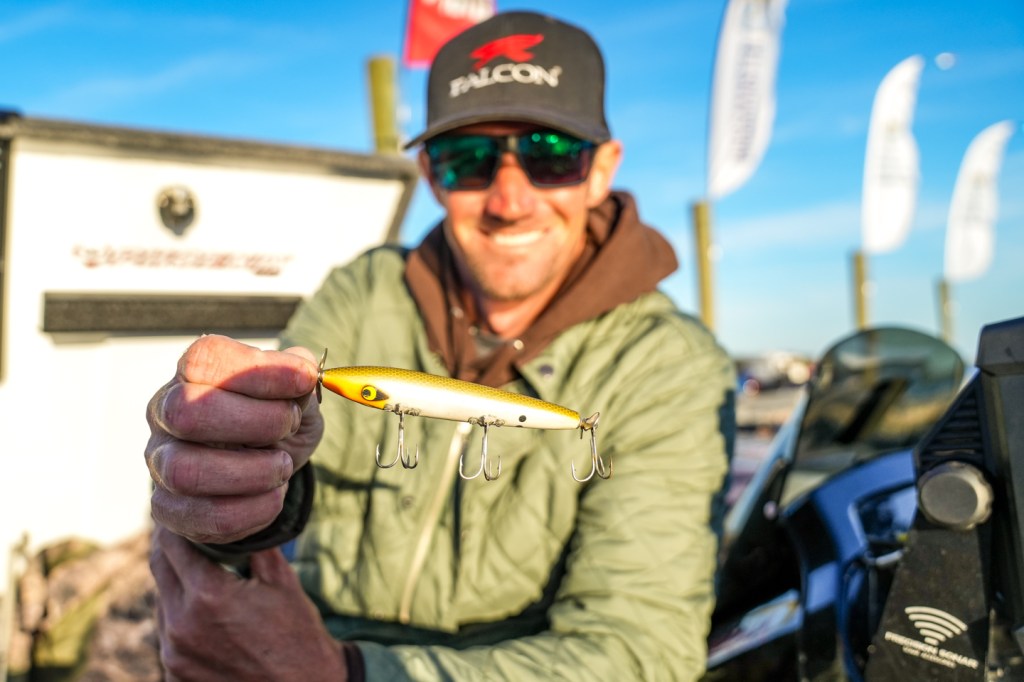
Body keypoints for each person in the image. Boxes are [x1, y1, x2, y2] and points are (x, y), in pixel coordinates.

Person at [146, 10, 735, 681]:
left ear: (601, 170)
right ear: (431, 174)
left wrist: (344, 674)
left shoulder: (668, 366)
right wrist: (236, 473)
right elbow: (273, 493)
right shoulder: (362, 292)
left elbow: (639, 651)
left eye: (551, 156)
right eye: (469, 160)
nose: (509, 201)